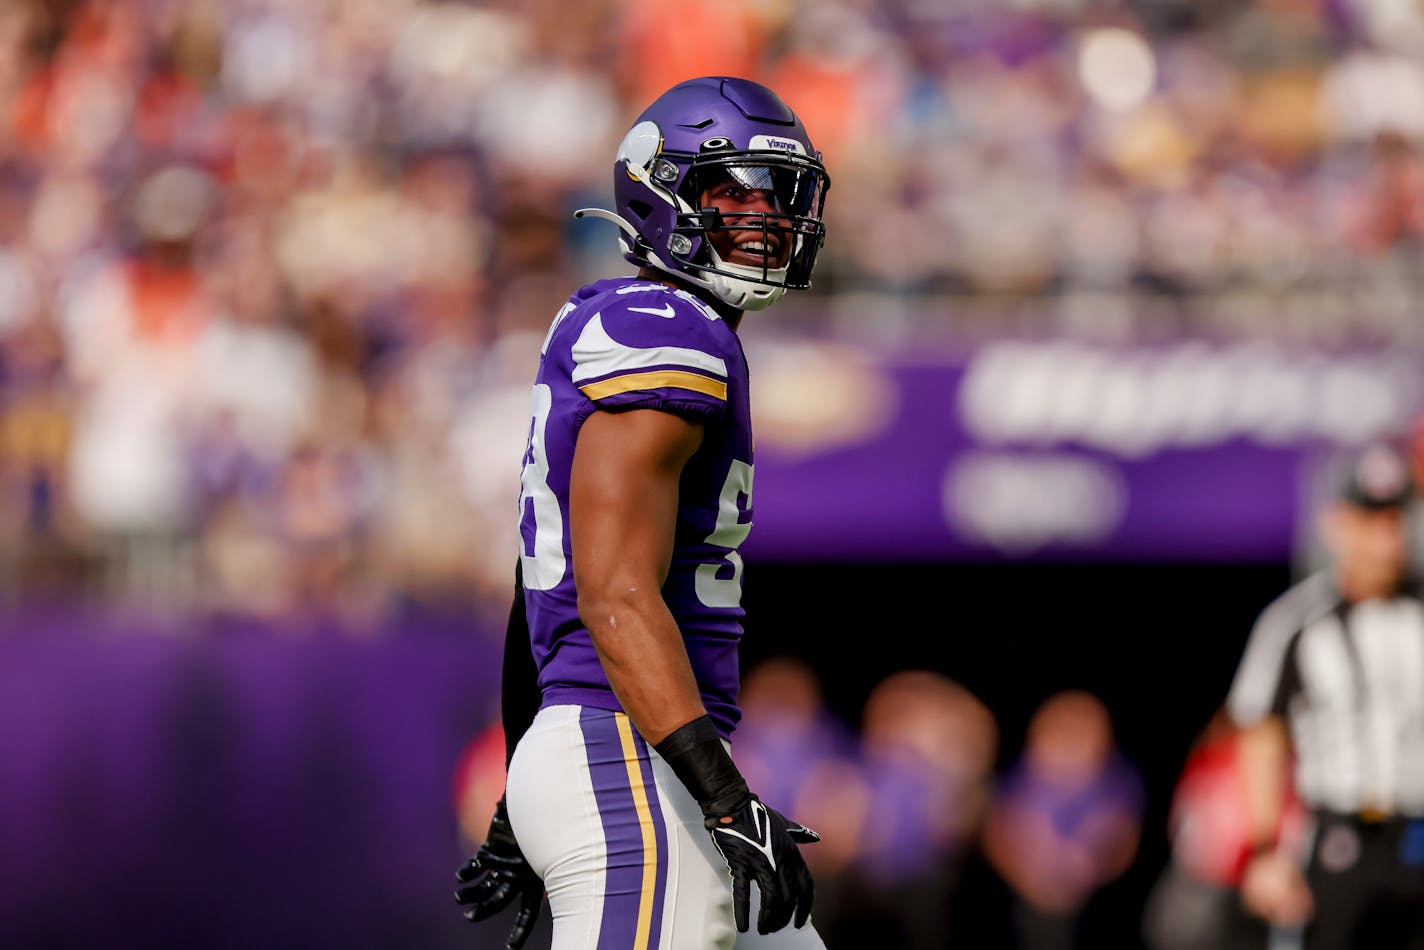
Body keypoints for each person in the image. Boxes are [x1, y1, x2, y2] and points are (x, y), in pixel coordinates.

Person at [453, 76, 832, 950]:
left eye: (778, 195)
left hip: (628, 747)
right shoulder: (670, 327)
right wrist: (727, 801)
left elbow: (539, 597)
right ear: (660, 192)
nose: (765, 216)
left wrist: (521, 793)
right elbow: (615, 596)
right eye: (730, 190)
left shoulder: (636, 318)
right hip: (628, 751)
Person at [1225, 440, 1424, 950]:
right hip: (1339, 839)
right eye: (1371, 521)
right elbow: (1260, 735)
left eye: (1396, 520)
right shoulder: (1295, 623)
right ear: (1338, 523)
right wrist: (1265, 850)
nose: (1387, 539)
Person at [980, 689, 1145, 950]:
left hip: (1091, 900)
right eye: (1062, 730)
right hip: (1026, 896)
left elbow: (1125, 839)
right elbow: (997, 829)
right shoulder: (1024, 778)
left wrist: (1086, 868)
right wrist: (1025, 878)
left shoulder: (1116, 784)